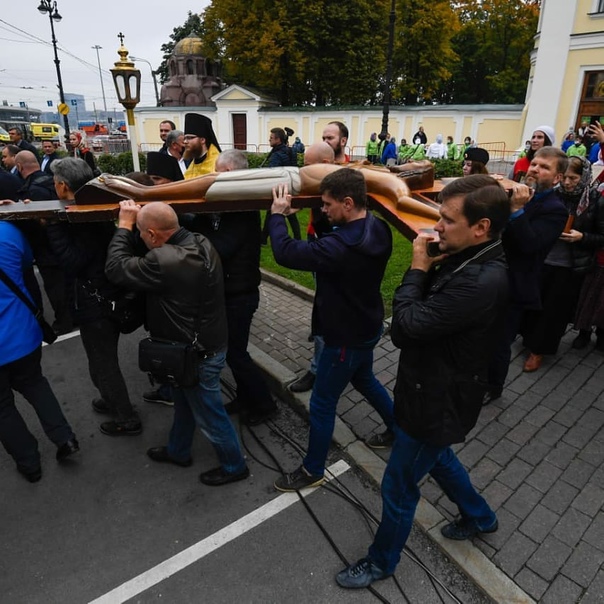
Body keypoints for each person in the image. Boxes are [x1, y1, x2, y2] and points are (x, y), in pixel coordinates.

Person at [336, 175, 510, 589]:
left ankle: (381, 562)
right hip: (431, 393)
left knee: (399, 484)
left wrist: (417, 268)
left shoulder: (482, 280)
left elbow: (406, 327)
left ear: (481, 227)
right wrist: (439, 254)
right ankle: (480, 516)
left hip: (437, 401)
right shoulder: (476, 253)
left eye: (447, 220)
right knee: (439, 459)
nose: (437, 227)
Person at [105, 200, 249, 486]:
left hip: (197, 353)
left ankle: (235, 466)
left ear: (154, 235)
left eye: (143, 235)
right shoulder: (200, 241)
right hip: (203, 346)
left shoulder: (164, 260)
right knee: (184, 401)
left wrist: (124, 226)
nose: (142, 240)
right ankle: (179, 450)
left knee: (210, 414)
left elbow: (116, 268)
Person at [269, 169, 395, 491]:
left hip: (343, 338)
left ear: (348, 202)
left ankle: (313, 470)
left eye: (326, 204)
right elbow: (336, 234)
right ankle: (397, 428)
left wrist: (277, 216)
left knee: (323, 403)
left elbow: (285, 253)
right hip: (367, 327)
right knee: (365, 380)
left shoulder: (338, 249)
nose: (322, 210)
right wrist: (323, 218)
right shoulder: (378, 228)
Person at [47, 158, 142, 435]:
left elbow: (72, 261)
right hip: (106, 291)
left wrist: (52, 227)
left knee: (103, 361)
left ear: (63, 186)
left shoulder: (78, 217)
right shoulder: (92, 204)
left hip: (96, 299)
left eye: (55, 183)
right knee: (99, 357)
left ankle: (126, 418)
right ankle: (108, 397)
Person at [186, 149, 277, 425]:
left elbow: (219, 247)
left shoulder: (244, 209)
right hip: (226, 293)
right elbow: (200, 228)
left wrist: (191, 238)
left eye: (219, 171)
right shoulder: (223, 203)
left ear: (231, 174)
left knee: (237, 354)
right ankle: (246, 397)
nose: (214, 177)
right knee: (232, 352)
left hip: (240, 295)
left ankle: (265, 405)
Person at [484, 147, 568, 404]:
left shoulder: (556, 210)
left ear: (557, 178)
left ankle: (493, 387)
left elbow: (530, 245)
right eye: (534, 164)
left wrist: (516, 210)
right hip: (491, 274)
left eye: (544, 167)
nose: (535, 169)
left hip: (515, 285)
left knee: (499, 341)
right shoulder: (520, 193)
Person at [0, 219, 79, 483]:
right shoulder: (7, 232)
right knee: (35, 384)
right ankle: (64, 438)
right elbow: (25, 265)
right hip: (21, 331)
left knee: (2, 409)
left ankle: (29, 463)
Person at [521, 156, 604, 370]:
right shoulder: (553, 195)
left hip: (570, 265)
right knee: (534, 303)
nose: (567, 183)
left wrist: (582, 237)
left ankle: (539, 350)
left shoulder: (593, 199)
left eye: (573, 178)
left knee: (553, 311)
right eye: (565, 178)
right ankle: (528, 340)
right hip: (544, 258)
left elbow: (601, 235)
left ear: (583, 177)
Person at [15, 150, 74, 335]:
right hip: (66, 243)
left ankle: (64, 322)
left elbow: (42, 223)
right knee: (69, 284)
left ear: (19, 166)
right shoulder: (52, 182)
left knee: (56, 288)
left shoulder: (32, 190)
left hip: (47, 249)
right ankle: (73, 316)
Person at [261, 128, 302, 242]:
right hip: (290, 185)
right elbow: (294, 167)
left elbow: (272, 172)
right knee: (287, 213)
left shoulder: (276, 155)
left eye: (271, 138)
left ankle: (263, 237)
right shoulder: (291, 151)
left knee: (277, 212)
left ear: (278, 140)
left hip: (278, 188)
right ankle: (264, 237)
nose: (269, 140)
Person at [183, 113, 221, 179]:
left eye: (190, 138)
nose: (185, 142)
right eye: (185, 138)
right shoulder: (192, 164)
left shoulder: (217, 162)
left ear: (202, 140)